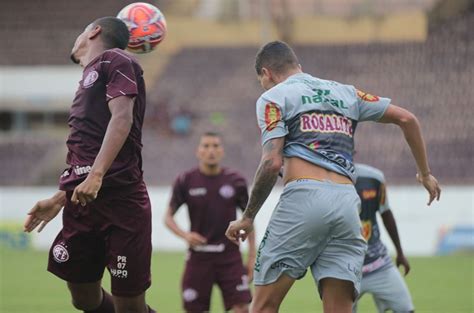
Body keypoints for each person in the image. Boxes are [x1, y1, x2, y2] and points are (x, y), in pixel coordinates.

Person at [225, 41, 441, 313]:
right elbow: (407, 119)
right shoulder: (346, 92)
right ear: (298, 67)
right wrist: (425, 173)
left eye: (262, 82)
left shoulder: (274, 97)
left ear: (266, 73)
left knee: (264, 306)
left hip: (304, 200)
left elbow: (271, 162)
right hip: (348, 205)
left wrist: (247, 216)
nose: (264, 87)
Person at [23, 17, 155, 313]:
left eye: (82, 30)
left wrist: (96, 174)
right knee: (82, 296)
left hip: (121, 201)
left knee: (130, 306)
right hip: (82, 203)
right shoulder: (86, 79)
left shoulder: (117, 59)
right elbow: (84, 148)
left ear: (94, 32)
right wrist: (61, 195)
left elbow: (122, 118)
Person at [164, 132, 255, 313]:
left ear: (222, 151)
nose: (211, 150)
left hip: (230, 257)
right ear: (198, 151)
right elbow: (168, 217)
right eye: (206, 146)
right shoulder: (186, 180)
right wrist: (185, 235)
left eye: (215, 146)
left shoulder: (236, 180)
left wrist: (252, 256)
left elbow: (248, 221)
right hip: (198, 258)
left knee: (242, 308)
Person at [354, 163, 414, 313]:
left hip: (378, 263)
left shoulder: (373, 178)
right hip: (345, 269)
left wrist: (400, 252)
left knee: (406, 309)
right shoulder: (326, 181)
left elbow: (386, 213)